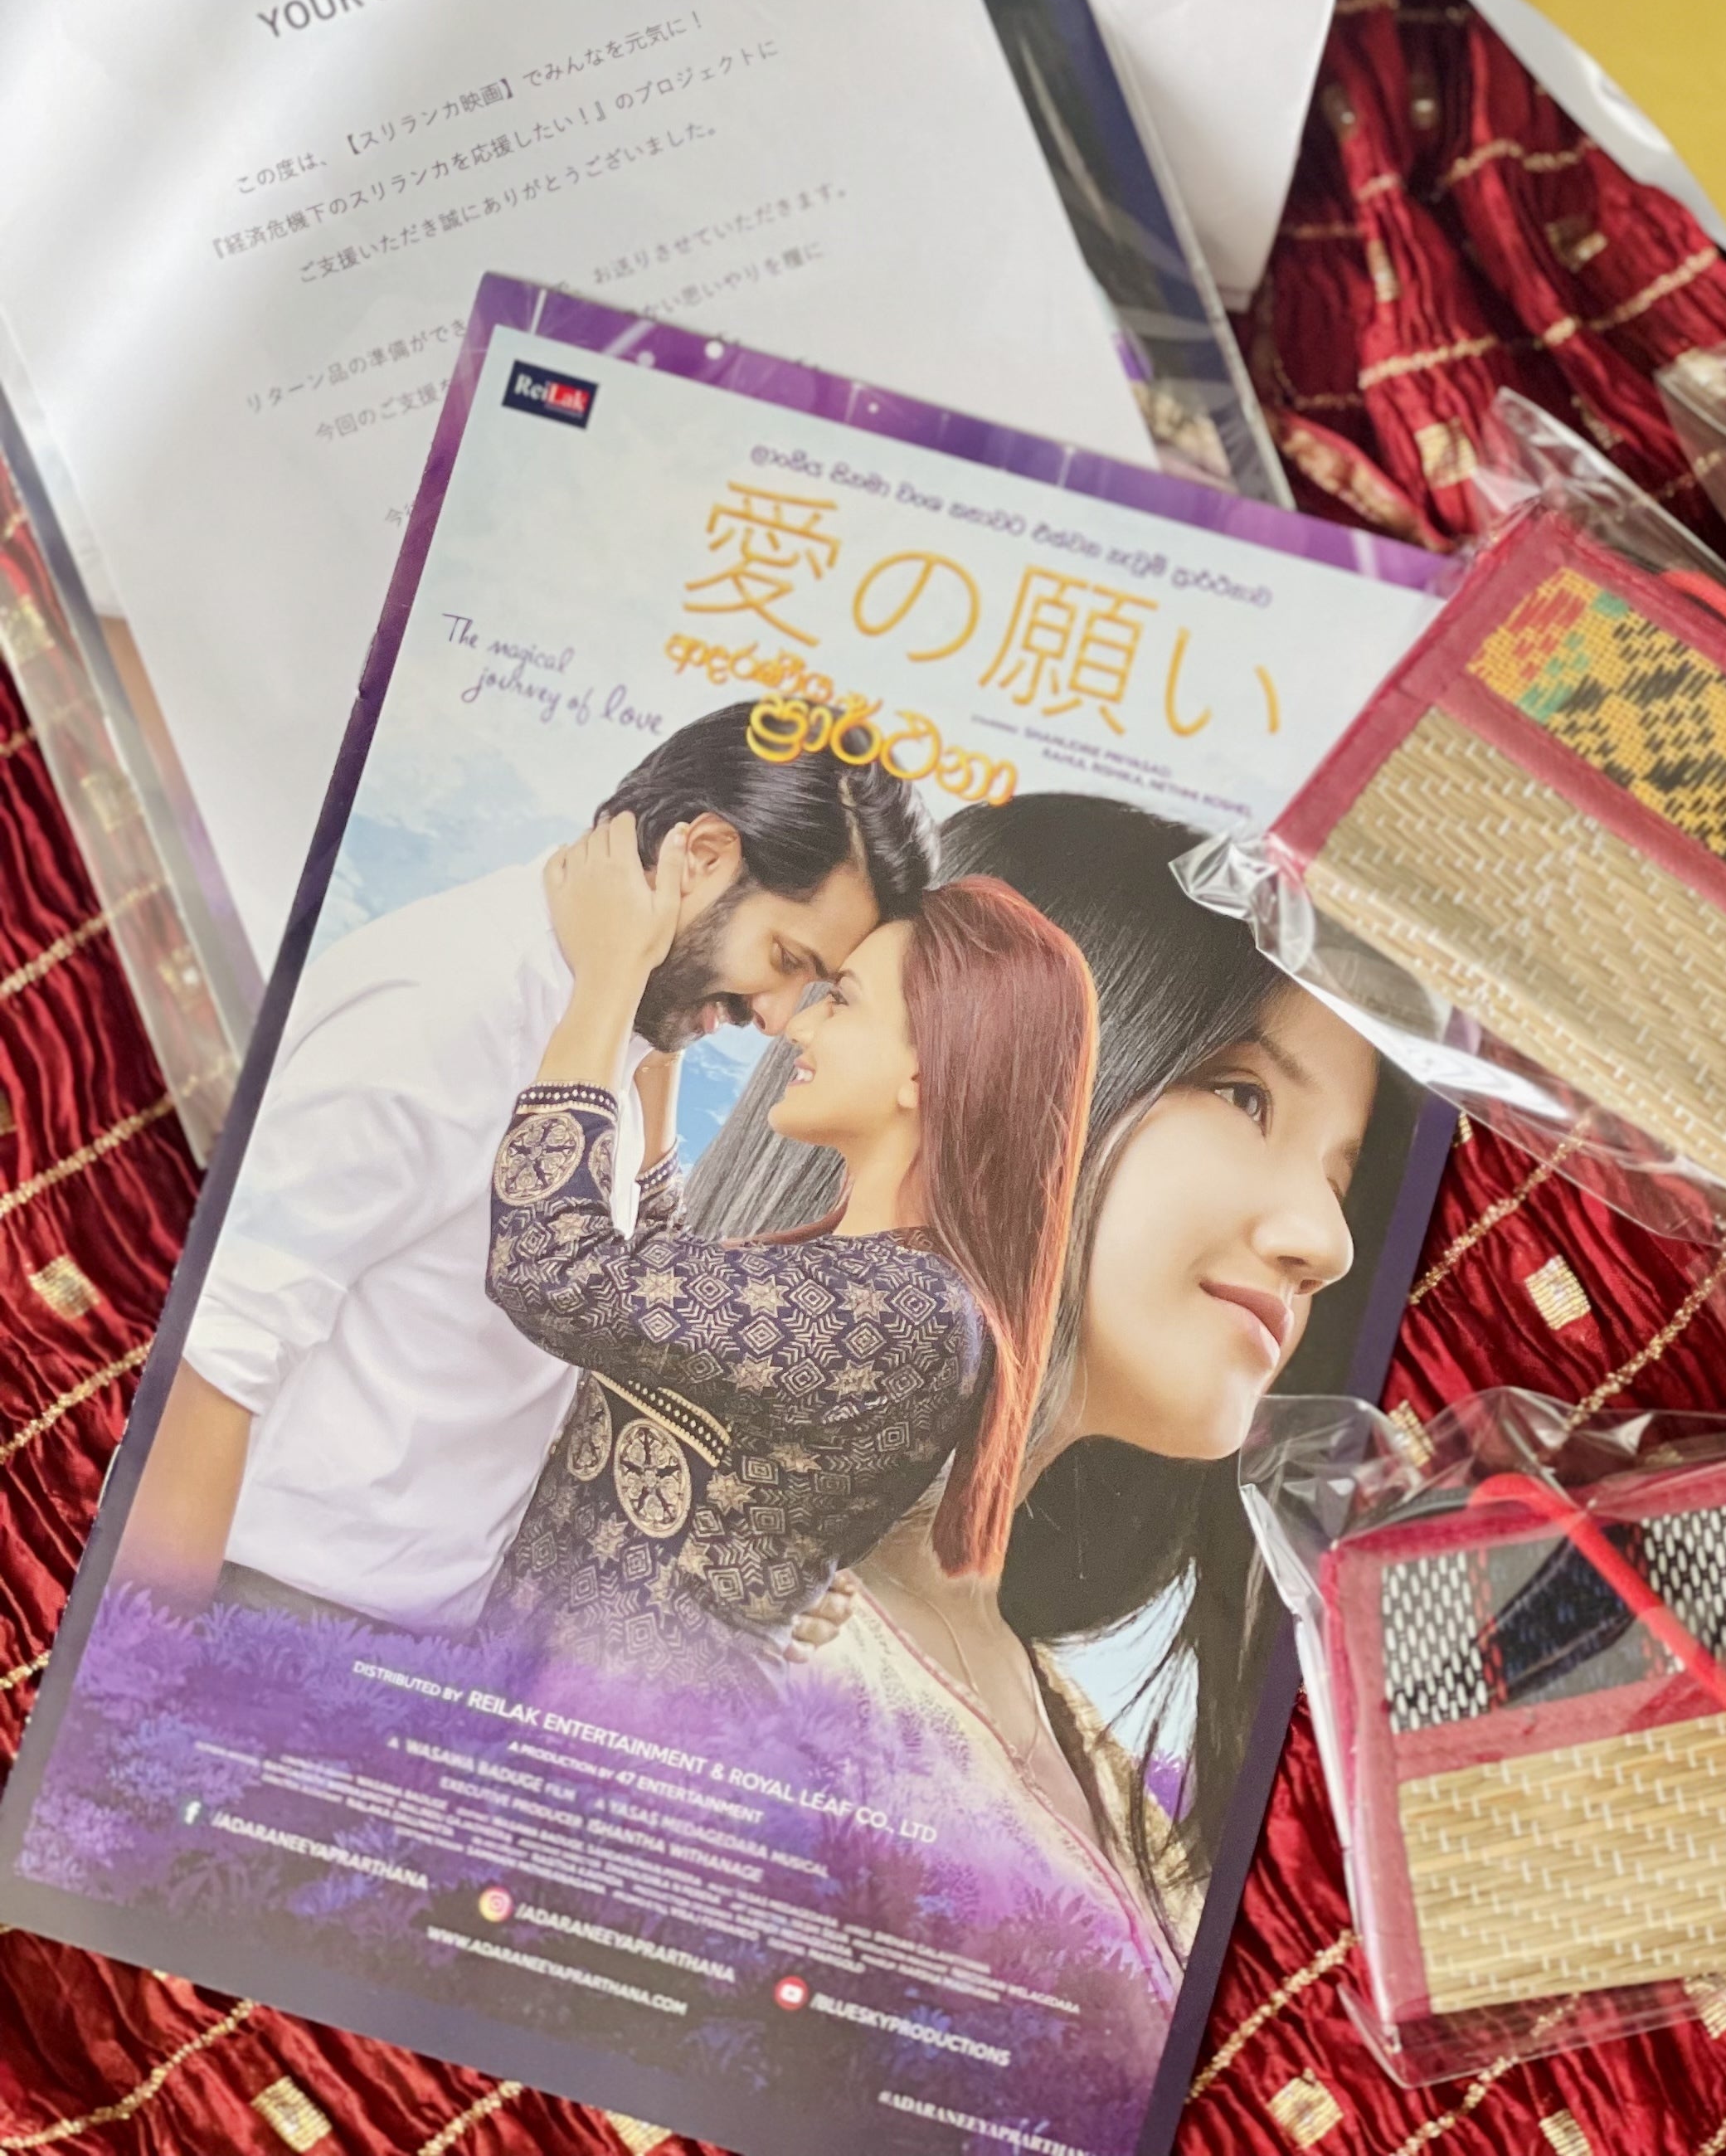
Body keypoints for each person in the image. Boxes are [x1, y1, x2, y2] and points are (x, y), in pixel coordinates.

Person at [684, 791, 1412, 1951]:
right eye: (1244, 1097)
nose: (1326, 1241)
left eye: (1339, 1175)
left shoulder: (1088, 1759)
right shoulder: (685, 1614)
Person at [115, 704, 931, 1629]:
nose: (778, 1018)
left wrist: (749, 1565)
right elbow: (214, 1350)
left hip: (407, 1630)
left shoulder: (599, 1027)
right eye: (784, 959)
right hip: (271, 1608)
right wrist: (148, 1674)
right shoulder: (452, 1003)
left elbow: (591, 1329)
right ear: (702, 856)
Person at [477, 820, 1096, 1686]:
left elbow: (555, 1272)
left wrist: (609, 981)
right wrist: (664, 1022)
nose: (799, 1027)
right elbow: (660, 1295)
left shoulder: (905, 1309)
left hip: (626, 1741)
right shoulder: (870, 1278)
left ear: (928, 1067)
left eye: (840, 999)